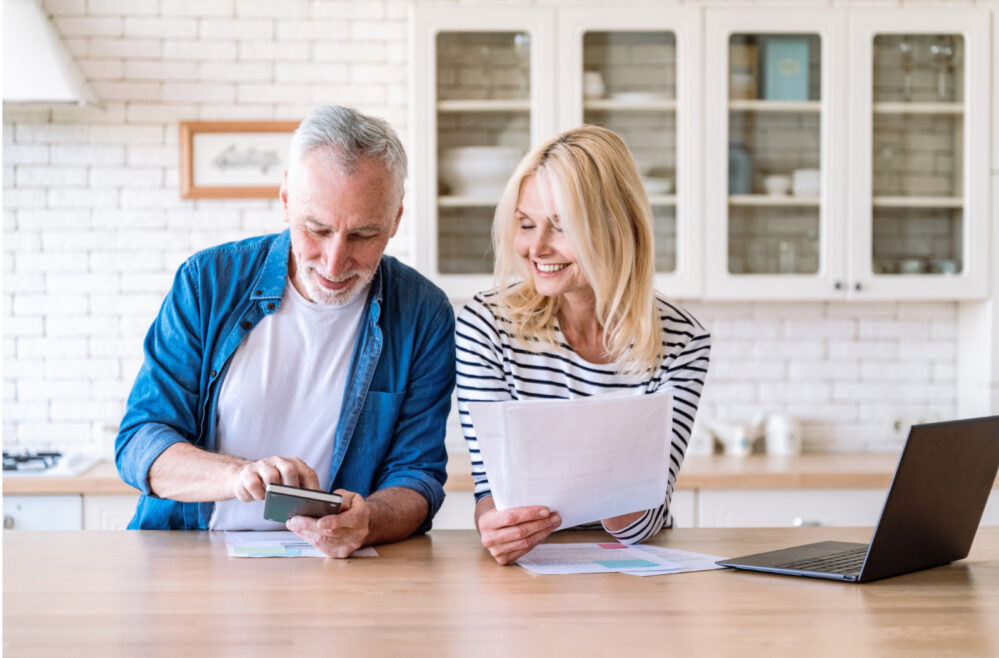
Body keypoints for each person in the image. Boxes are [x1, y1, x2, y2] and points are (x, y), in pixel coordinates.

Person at [116, 105, 455, 558]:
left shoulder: (424, 313)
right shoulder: (207, 282)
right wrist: (236, 477)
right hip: (190, 554)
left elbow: (418, 476)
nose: (334, 263)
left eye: (363, 235)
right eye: (317, 230)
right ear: (286, 199)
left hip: (336, 571)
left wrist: (367, 521)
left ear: (395, 220)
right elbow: (139, 442)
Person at [456, 125, 711, 565]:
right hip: (529, 568)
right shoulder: (487, 325)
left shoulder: (682, 341)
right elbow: (492, 491)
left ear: (618, 228)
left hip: (633, 569)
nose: (536, 248)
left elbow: (641, 522)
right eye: (526, 223)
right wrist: (496, 526)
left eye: (561, 226)